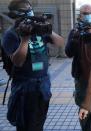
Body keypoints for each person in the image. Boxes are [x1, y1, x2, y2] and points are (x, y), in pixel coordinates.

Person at [2, 0, 64, 130]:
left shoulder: (39, 29)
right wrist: (25, 39)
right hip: (25, 85)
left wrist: (47, 28)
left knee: (39, 119)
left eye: (30, 9)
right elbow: (17, 62)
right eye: (25, 10)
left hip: (43, 83)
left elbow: (60, 42)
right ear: (16, 15)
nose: (30, 12)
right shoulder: (11, 34)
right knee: (25, 123)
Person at [65, 4, 91, 130]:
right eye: (85, 13)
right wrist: (75, 39)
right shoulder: (75, 32)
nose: (89, 16)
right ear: (79, 16)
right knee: (84, 107)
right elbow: (68, 53)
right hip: (83, 79)